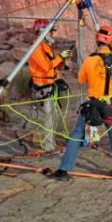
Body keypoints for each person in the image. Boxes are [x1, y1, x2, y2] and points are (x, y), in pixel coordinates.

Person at [46, 25, 112, 180]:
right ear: (111, 42)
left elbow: (81, 80)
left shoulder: (89, 61)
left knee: (78, 133)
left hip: (92, 106)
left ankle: (63, 170)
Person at [28, 19, 71, 154]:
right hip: (42, 86)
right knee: (48, 117)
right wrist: (60, 57)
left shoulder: (46, 47)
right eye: (51, 31)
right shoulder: (36, 47)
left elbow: (52, 64)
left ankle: (51, 143)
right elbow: (46, 66)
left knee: (53, 116)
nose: (52, 34)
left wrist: (63, 62)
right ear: (43, 31)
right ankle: (48, 147)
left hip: (50, 85)